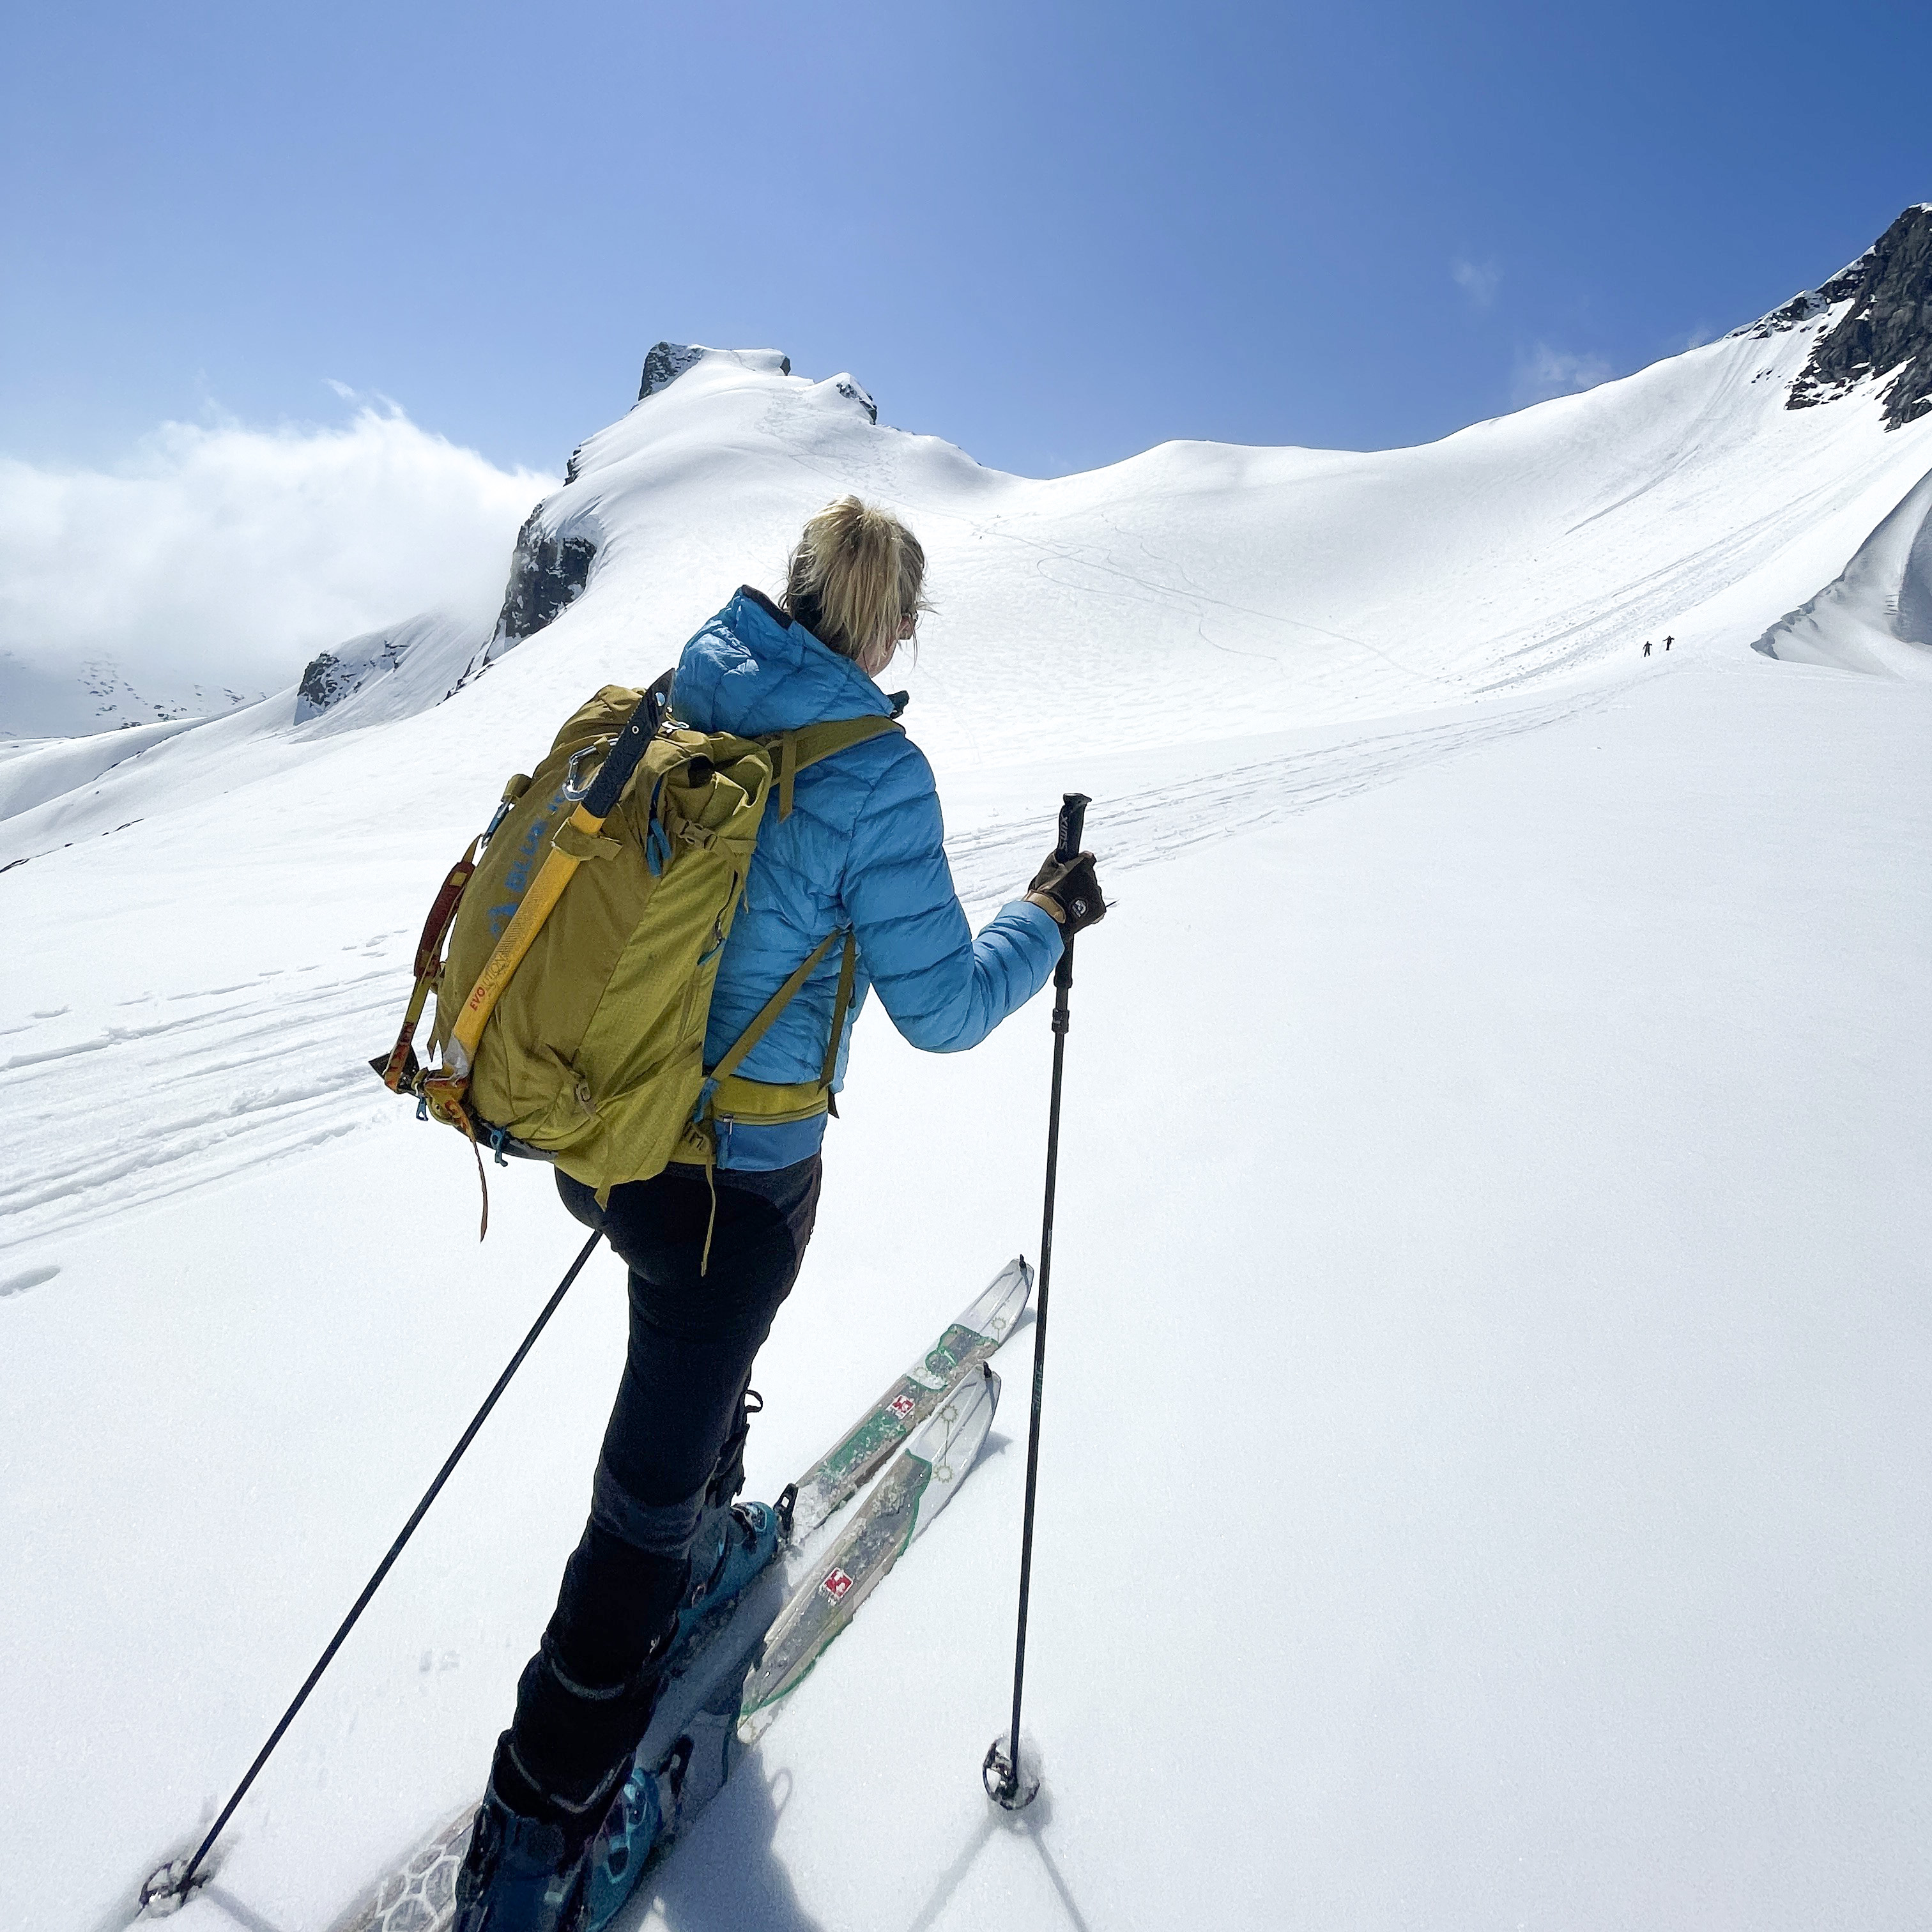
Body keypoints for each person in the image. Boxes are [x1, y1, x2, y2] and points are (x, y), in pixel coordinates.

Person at [454, 496, 1106, 1931]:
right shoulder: (878, 772)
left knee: (681, 1375)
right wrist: (1044, 919)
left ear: (798, 590)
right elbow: (937, 1007)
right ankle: (533, 1819)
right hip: (734, 1188)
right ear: (894, 626)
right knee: (640, 1487)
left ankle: (692, 1531)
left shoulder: (699, 676)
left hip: (603, 1141)